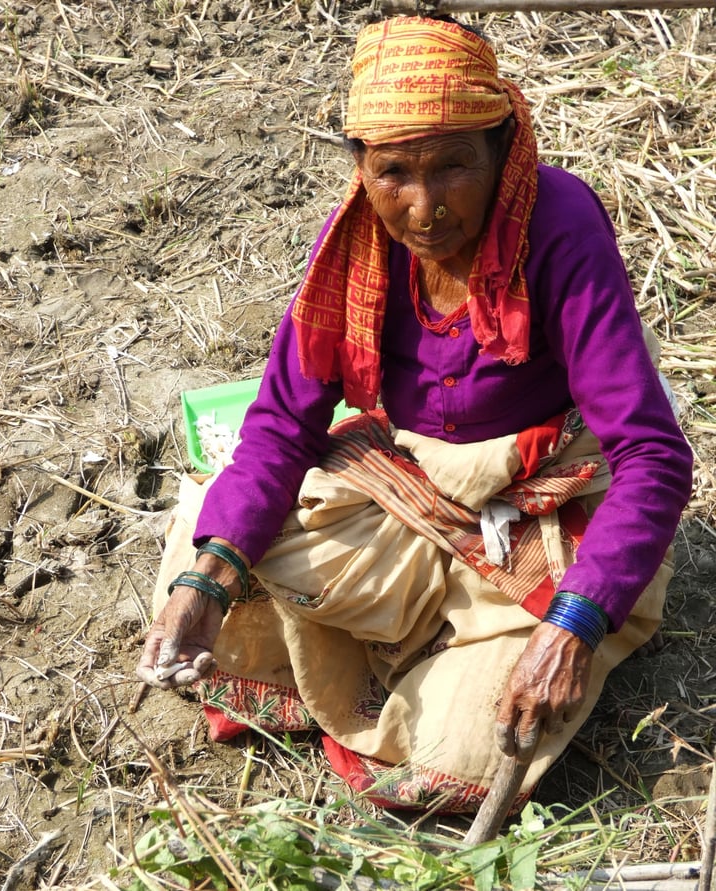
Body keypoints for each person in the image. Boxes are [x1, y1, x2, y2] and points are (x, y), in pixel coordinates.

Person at [136, 15, 692, 814]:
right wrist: (209, 579)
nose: (425, 207)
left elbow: (653, 456)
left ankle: (481, 646)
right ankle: (399, 645)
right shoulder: (354, 244)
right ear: (361, 166)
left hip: (534, 504)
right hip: (403, 483)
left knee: (460, 762)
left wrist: (573, 625)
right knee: (200, 548)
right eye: (394, 172)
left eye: (454, 168)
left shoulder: (561, 226)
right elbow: (284, 424)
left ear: (502, 149)